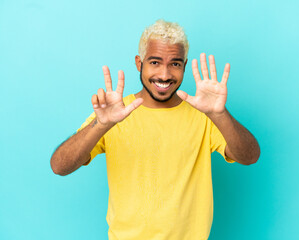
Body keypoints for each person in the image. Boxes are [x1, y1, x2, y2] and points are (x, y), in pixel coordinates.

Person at [50, 19, 260, 240]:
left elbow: (250, 156)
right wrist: (100, 125)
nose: (165, 75)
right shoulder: (114, 114)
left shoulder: (204, 115)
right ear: (139, 63)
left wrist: (219, 114)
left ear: (185, 66)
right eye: (155, 62)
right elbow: (59, 166)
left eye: (175, 64)